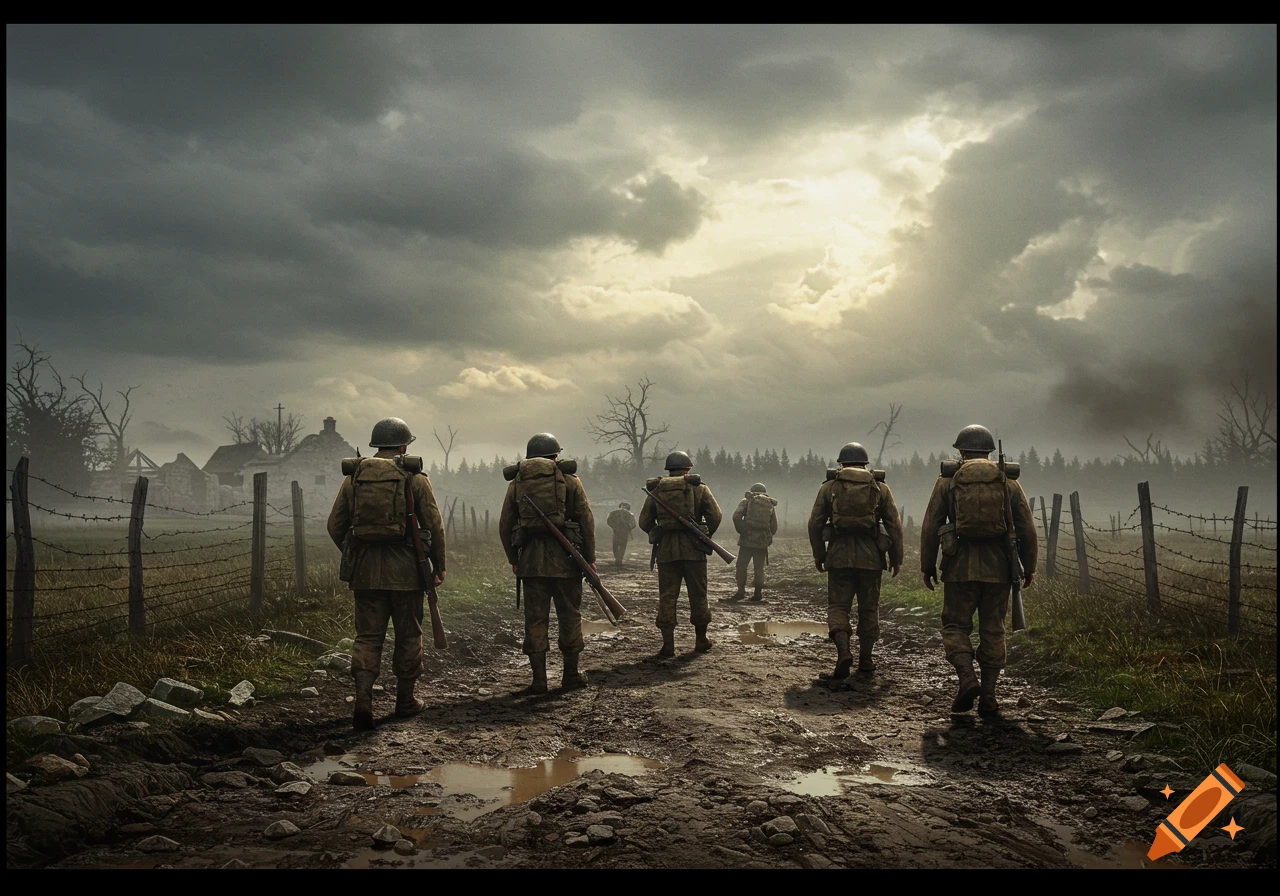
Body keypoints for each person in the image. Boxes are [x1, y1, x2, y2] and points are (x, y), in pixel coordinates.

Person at [327, 417, 446, 732]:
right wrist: (439, 564)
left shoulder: (355, 478)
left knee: (367, 637)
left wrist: (355, 554)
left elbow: (334, 526)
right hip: (407, 573)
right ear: (404, 445)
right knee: (408, 635)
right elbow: (434, 525)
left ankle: (363, 702)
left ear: (376, 445)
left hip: (365, 574)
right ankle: (405, 702)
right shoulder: (415, 478)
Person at [920, 424, 1037, 715]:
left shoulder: (948, 481)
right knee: (993, 630)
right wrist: (1029, 566)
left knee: (955, 625)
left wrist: (927, 565)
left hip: (958, 567)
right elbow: (1027, 529)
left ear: (961, 451)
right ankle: (988, 696)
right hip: (1000, 570)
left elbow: (931, 526)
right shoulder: (1007, 481)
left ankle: (966, 678)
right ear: (989, 451)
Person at [499, 433, 597, 693]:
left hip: (531, 563)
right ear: (556, 455)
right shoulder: (570, 480)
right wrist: (589, 558)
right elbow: (587, 521)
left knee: (535, 621)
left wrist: (514, 559)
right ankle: (570, 676)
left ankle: (539, 681)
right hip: (568, 562)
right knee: (570, 617)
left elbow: (504, 526)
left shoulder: (517, 483)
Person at [807, 442, 903, 678]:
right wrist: (896, 558)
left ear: (841, 463)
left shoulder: (830, 487)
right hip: (871, 559)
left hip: (838, 556)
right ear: (865, 463)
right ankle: (866, 661)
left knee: (839, 607)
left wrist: (819, 554)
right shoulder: (880, 487)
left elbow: (815, 523)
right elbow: (894, 525)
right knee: (869, 608)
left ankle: (843, 652)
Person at [638, 450, 723, 656]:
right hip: (694, 550)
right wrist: (704, 533)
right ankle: (701, 641)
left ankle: (668, 646)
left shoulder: (656, 489)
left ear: (668, 469)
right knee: (698, 595)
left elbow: (643, 521)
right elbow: (716, 515)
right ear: (688, 468)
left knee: (667, 597)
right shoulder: (699, 488)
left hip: (666, 552)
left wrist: (658, 531)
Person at [724, 482, 777, 603]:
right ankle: (757, 594)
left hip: (747, 540)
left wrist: (742, 530)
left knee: (741, 566)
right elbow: (774, 525)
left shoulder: (746, 501)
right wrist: (767, 537)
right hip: (762, 542)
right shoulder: (769, 503)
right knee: (759, 568)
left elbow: (736, 517)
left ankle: (740, 592)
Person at [606, 501, 637, 566]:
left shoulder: (613, 512)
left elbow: (608, 521)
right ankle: (619, 559)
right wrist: (629, 529)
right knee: (622, 546)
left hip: (616, 532)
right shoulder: (630, 514)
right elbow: (633, 524)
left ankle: (617, 558)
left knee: (615, 546)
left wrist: (614, 527)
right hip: (624, 533)